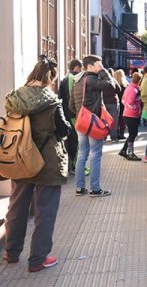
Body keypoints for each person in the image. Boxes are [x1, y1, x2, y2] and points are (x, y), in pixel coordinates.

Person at [3, 56, 71, 272]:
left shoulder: (15, 99)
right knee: (45, 211)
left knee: (16, 206)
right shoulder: (52, 101)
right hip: (47, 162)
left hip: (20, 158)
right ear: (50, 78)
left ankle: (11, 253)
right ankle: (37, 259)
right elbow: (63, 130)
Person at [69, 54, 116, 197]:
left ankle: (80, 188)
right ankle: (95, 189)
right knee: (95, 154)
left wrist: (80, 114)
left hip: (81, 122)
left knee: (82, 154)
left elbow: (71, 105)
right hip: (93, 122)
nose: (101, 66)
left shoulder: (78, 81)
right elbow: (112, 86)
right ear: (90, 66)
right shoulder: (93, 79)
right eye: (98, 64)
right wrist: (105, 72)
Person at [58, 58, 82, 174]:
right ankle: (73, 166)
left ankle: (72, 165)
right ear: (77, 67)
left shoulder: (66, 78)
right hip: (71, 116)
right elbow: (71, 100)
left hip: (68, 114)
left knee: (72, 141)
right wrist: (76, 113)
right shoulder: (71, 79)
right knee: (75, 141)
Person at [119, 72, 143, 161]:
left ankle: (124, 150)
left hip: (126, 114)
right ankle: (130, 152)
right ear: (139, 81)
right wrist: (135, 109)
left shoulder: (129, 87)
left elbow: (123, 100)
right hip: (132, 116)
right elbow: (130, 102)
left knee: (132, 134)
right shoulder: (134, 90)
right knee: (133, 134)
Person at [102, 68, 121, 142]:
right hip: (113, 102)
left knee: (104, 120)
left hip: (104, 102)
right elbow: (119, 89)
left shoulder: (101, 81)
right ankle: (114, 136)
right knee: (114, 120)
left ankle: (104, 136)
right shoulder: (113, 80)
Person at [113, 69, 128, 140]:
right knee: (122, 120)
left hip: (116, 103)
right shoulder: (125, 85)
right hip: (124, 104)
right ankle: (121, 133)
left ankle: (116, 133)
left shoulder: (114, 84)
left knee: (116, 119)